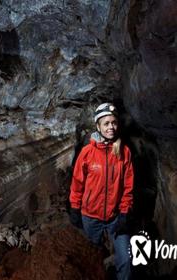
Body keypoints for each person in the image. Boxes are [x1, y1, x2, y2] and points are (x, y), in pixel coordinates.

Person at [69, 102, 134, 280]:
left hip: (115, 217)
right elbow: (77, 183)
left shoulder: (124, 152)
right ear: (98, 126)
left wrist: (125, 212)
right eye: (106, 123)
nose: (111, 127)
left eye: (114, 122)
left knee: (126, 259)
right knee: (92, 258)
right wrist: (75, 208)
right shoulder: (87, 152)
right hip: (90, 217)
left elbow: (128, 186)